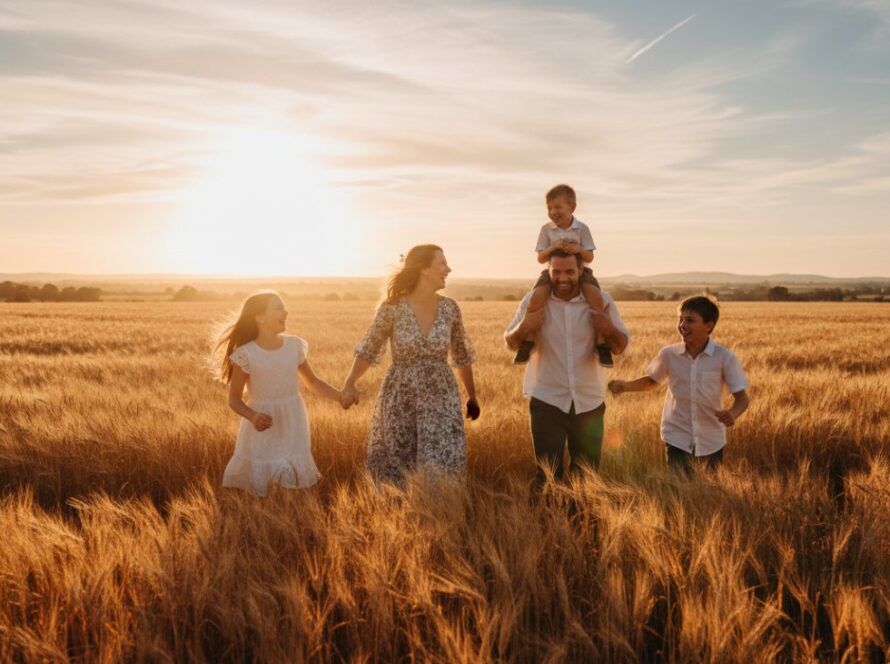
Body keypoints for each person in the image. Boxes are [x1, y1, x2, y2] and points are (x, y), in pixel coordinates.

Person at [342, 245, 480, 485]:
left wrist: (471, 395)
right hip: (400, 397)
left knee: (443, 465)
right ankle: (397, 509)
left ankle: (442, 507)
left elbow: (461, 355)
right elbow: (369, 347)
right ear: (424, 269)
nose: (448, 269)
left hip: (441, 398)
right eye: (442, 263)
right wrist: (350, 382)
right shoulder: (392, 307)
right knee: (398, 466)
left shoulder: (450, 309)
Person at [505, 249, 630, 483]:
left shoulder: (601, 301)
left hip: (589, 402)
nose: (563, 278)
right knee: (547, 476)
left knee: (587, 477)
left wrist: (607, 327)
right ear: (548, 271)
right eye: (556, 272)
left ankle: (581, 510)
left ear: (581, 270)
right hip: (547, 401)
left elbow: (621, 346)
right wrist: (524, 327)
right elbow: (511, 343)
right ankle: (551, 510)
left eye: (570, 272)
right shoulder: (534, 301)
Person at [216, 291, 351, 496]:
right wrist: (252, 416)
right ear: (260, 317)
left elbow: (313, 382)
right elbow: (233, 398)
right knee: (264, 485)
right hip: (263, 426)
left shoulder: (293, 346)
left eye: (284, 308)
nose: (285, 312)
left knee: (291, 481)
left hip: (293, 422)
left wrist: (339, 396)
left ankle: (290, 514)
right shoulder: (246, 354)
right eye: (279, 308)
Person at [608, 295, 750, 475]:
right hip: (677, 436)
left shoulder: (724, 358)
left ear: (708, 325)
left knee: (708, 489)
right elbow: (652, 380)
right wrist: (625, 386)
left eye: (690, 320)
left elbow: (742, 398)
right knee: (678, 487)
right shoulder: (669, 354)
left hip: (711, 439)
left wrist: (732, 414)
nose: (682, 325)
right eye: (680, 319)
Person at [513, 184, 613, 368]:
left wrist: (578, 249)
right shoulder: (546, 229)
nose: (553, 212)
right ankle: (528, 342)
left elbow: (589, 257)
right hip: (551, 273)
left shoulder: (582, 228)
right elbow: (541, 258)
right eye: (549, 208)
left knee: (596, 299)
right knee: (535, 299)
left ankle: (601, 345)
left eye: (557, 207)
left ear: (572, 207)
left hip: (580, 272)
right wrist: (552, 247)